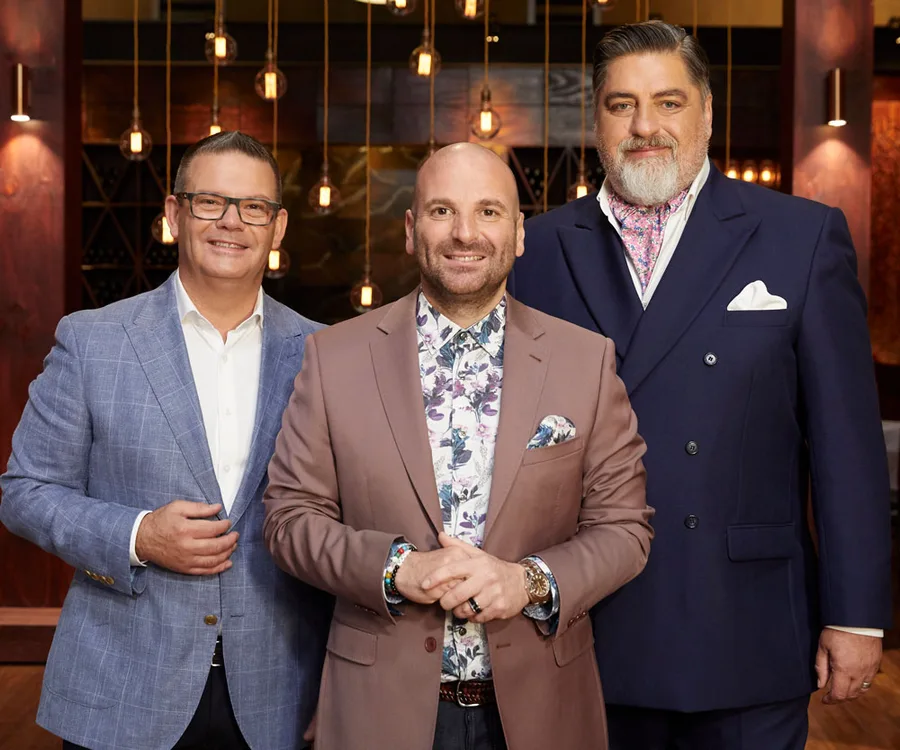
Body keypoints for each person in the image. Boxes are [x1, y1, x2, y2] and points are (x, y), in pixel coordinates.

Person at [507, 20, 893, 750]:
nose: (644, 126)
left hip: (744, 628)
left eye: (668, 102)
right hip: (585, 622)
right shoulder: (540, 251)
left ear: (707, 113)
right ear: (595, 121)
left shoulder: (800, 237)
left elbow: (846, 446)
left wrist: (855, 613)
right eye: (621, 105)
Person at [262, 142, 653, 750]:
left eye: (489, 212)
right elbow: (288, 520)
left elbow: (626, 530)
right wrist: (397, 569)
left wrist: (529, 582)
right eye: (442, 211)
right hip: (380, 710)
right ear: (413, 231)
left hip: (542, 709)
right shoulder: (334, 358)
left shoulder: (587, 362)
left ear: (520, 234)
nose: (465, 233)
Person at [0, 131, 331, 750]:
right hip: (124, 683)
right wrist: (138, 535)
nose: (231, 222)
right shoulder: (92, 340)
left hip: (278, 691)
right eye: (209, 202)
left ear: (278, 227)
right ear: (174, 213)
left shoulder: (324, 353)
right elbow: (24, 492)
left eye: (253, 207)